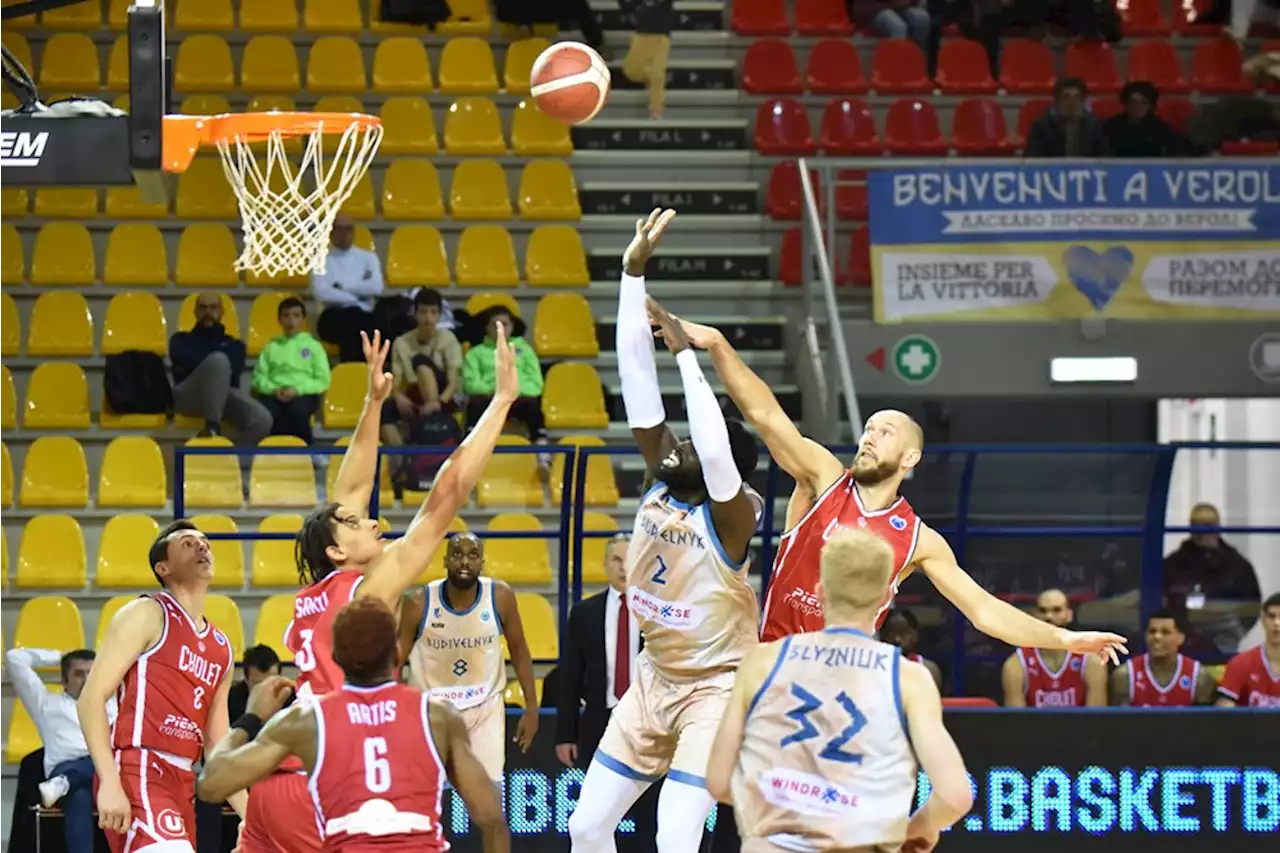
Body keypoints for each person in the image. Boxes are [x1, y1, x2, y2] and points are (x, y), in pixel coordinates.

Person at [659, 308, 1126, 660]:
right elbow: (765, 415)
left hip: (844, 677)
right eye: (868, 428)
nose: (870, 435)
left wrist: (1065, 639)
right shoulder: (824, 478)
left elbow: (985, 612)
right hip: (770, 664)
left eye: (885, 431)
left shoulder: (919, 540)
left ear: (910, 458)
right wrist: (718, 345)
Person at [233, 327, 520, 853]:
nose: (372, 521)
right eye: (355, 524)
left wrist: (373, 402)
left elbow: (349, 490)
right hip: (326, 778)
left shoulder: (318, 591)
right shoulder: (368, 590)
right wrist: (500, 403)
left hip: (275, 777)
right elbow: (445, 496)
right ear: (338, 551)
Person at [568, 209, 763, 853]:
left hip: (715, 687)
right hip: (654, 679)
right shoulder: (662, 477)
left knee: (675, 837)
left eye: (689, 445)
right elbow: (636, 386)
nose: (671, 444)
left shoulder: (733, 514)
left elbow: (711, 444)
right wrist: (631, 276)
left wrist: (687, 357)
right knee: (587, 826)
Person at [706, 528, 973, 853]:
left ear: (820, 592)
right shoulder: (908, 677)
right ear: (882, 601)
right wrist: (920, 828)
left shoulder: (763, 661)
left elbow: (719, 781)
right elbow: (955, 795)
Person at [197, 597, 511, 853]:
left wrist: (251, 718)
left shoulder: (307, 721)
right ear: (398, 652)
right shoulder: (437, 715)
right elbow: (492, 819)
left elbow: (211, 784)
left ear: (336, 658)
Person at [76, 520, 242, 853]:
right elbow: (90, 699)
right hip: (138, 767)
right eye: (187, 543)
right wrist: (108, 781)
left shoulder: (222, 647)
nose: (201, 546)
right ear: (162, 568)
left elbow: (216, 742)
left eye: (204, 541)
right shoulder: (147, 613)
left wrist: (249, 814)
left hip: (183, 779)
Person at [399, 532, 541, 784]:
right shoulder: (420, 602)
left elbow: (519, 650)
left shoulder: (500, 597)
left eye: (473, 555)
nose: (465, 561)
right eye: (457, 554)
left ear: (482, 563)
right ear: (444, 561)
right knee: (427, 795)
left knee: (489, 799)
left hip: (485, 707)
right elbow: (395, 661)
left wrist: (531, 707)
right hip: (432, 709)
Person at [5, 647, 112, 853]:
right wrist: (60, 656)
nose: (87, 679)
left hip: (107, 774)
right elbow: (14, 658)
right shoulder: (45, 704)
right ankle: (68, 779)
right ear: (64, 681)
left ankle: (66, 781)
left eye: (91, 673)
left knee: (101, 771)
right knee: (80, 795)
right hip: (70, 766)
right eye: (79, 674)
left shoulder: (114, 704)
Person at [556, 534, 641, 770]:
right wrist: (566, 734)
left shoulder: (657, 611)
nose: (623, 567)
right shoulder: (585, 613)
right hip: (598, 724)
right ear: (605, 565)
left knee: (646, 804)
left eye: (630, 559)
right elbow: (570, 677)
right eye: (616, 560)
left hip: (647, 724)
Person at [171, 292, 272, 445]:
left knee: (263, 419)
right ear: (195, 312)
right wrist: (214, 363)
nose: (208, 312)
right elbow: (186, 365)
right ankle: (212, 426)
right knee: (219, 360)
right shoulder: (180, 340)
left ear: (221, 312)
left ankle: (236, 462)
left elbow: (234, 371)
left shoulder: (235, 345)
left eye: (213, 308)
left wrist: (209, 362)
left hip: (223, 396)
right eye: (203, 308)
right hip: (189, 395)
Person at [462, 306, 549, 454]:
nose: (500, 329)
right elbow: (470, 383)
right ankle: (467, 454)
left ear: (512, 326)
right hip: (489, 399)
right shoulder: (475, 353)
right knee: (475, 404)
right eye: (494, 325)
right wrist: (495, 391)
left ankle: (543, 455)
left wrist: (512, 391)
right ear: (487, 328)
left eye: (505, 324)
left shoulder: (525, 350)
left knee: (533, 407)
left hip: (517, 398)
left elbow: (536, 383)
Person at [1001, 589, 1107, 708]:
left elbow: (1095, 721)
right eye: (1042, 611)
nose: (1049, 616)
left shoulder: (1091, 662)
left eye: (1056, 610)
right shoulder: (1015, 665)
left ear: (1069, 615)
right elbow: (1017, 723)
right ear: (1035, 616)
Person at [251, 297, 331, 445]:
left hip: (303, 394)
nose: (291, 320)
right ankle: (271, 451)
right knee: (268, 413)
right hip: (274, 393)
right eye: (286, 315)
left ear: (303, 319)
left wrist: (297, 390)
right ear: (279, 319)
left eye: (296, 315)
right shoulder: (271, 346)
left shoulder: (314, 346)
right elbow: (259, 377)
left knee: (296, 410)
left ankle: (309, 448)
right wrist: (274, 389)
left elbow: (322, 380)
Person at [312, 214, 386, 363]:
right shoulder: (321, 260)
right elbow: (322, 293)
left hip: (364, 315)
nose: (344, 234)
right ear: (330, 233)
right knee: (354, 321)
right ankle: (359, 374)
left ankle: (354, 373)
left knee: (366, 325)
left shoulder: (368, 257)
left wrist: (342, 287)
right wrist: (357, 297)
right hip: (332, 316)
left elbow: (376, 287)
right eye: (339, 229)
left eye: (348, 229)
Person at [1110, 609, 1215, 706]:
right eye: (1152, 632)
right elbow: (1121, 723)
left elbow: (1204, 723)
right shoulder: (1125, 676)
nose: (1157, 637)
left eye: (1165, 632)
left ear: (1181, 638)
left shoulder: (1199, 677)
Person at [1216, 592, 1280, 707]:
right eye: (1272, 616)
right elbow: (1223, 715)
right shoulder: (1240, 663)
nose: (1277, 623)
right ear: (1263, 620)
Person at [1024, 77, 1108, 158]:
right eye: (1066, 97)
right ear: (1057, 100)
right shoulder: (1042, 127)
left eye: (1076, 97)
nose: (1071, 102)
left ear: (1083, 100)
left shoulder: (1094, 126)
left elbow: (1106, 159)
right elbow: (1032, 159)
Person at [1102, 81, 1185, 158]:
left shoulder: (1161, 129)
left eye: (1144, 103)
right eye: (1133, 102)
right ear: (1125, 103)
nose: (1138, 107)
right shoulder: (1110, 127)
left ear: (1150, 106)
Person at [879, 607, 943, 689]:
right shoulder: (873, 668)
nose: (897, 639)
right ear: (881, 635)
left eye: (903, 633)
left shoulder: (928, 669)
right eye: (890, 633)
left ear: (915, 635)